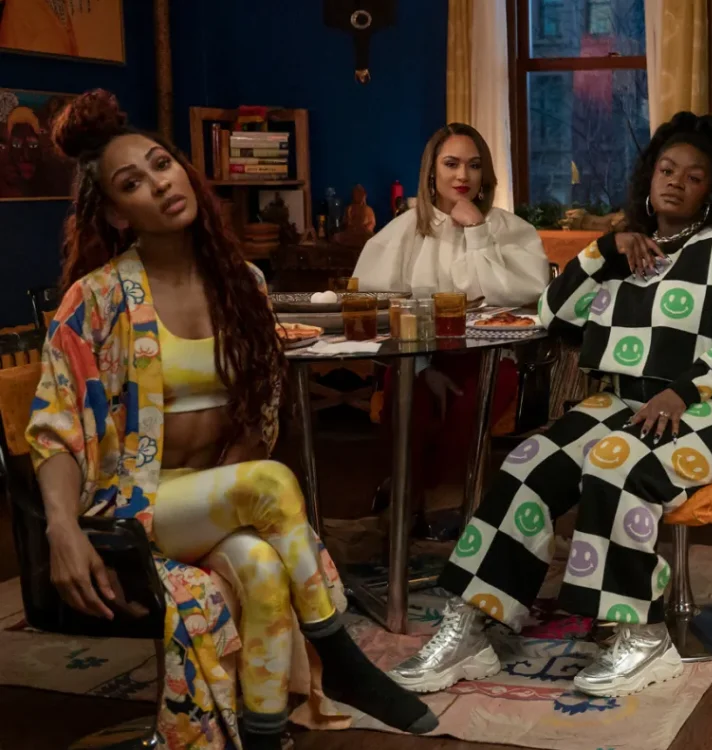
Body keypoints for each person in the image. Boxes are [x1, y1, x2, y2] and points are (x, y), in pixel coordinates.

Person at [27, 90, 437, 750]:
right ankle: (343, 658)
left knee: (265, 571)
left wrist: (230, 496)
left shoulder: (242, 283)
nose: (160, 184)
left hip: (207, 503)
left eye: (162, 165)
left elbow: (259, 409)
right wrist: (61, 528)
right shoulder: (97, 298)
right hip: (130, 507)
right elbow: (55, 424)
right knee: (270, 483)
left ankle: (263, 737)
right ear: (116, 213)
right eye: (133, 183)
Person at [386, 112, 712, 697]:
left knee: (616, 461)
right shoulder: (624, 250)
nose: (676, 182)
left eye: (694, 176)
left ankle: (642, 633)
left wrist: (682, 390)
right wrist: (603, 250)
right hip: (627, 399)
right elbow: (551, 313)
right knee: (528, 462)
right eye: (667, 170)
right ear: (649, 177)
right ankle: (474, 623)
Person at [353, 123, 549, 528]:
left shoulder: (509, 229)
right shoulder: (403, 230)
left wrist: (476, 231)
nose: (463, 175)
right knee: (407, 390)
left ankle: (443, 497)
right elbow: (380, 308)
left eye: (474, 165)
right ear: (431, 171)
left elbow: (518, 296)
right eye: (451, 164)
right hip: (417, 355)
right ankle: (407, 495)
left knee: (473, 397)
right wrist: (425, 367)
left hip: (492, 358)